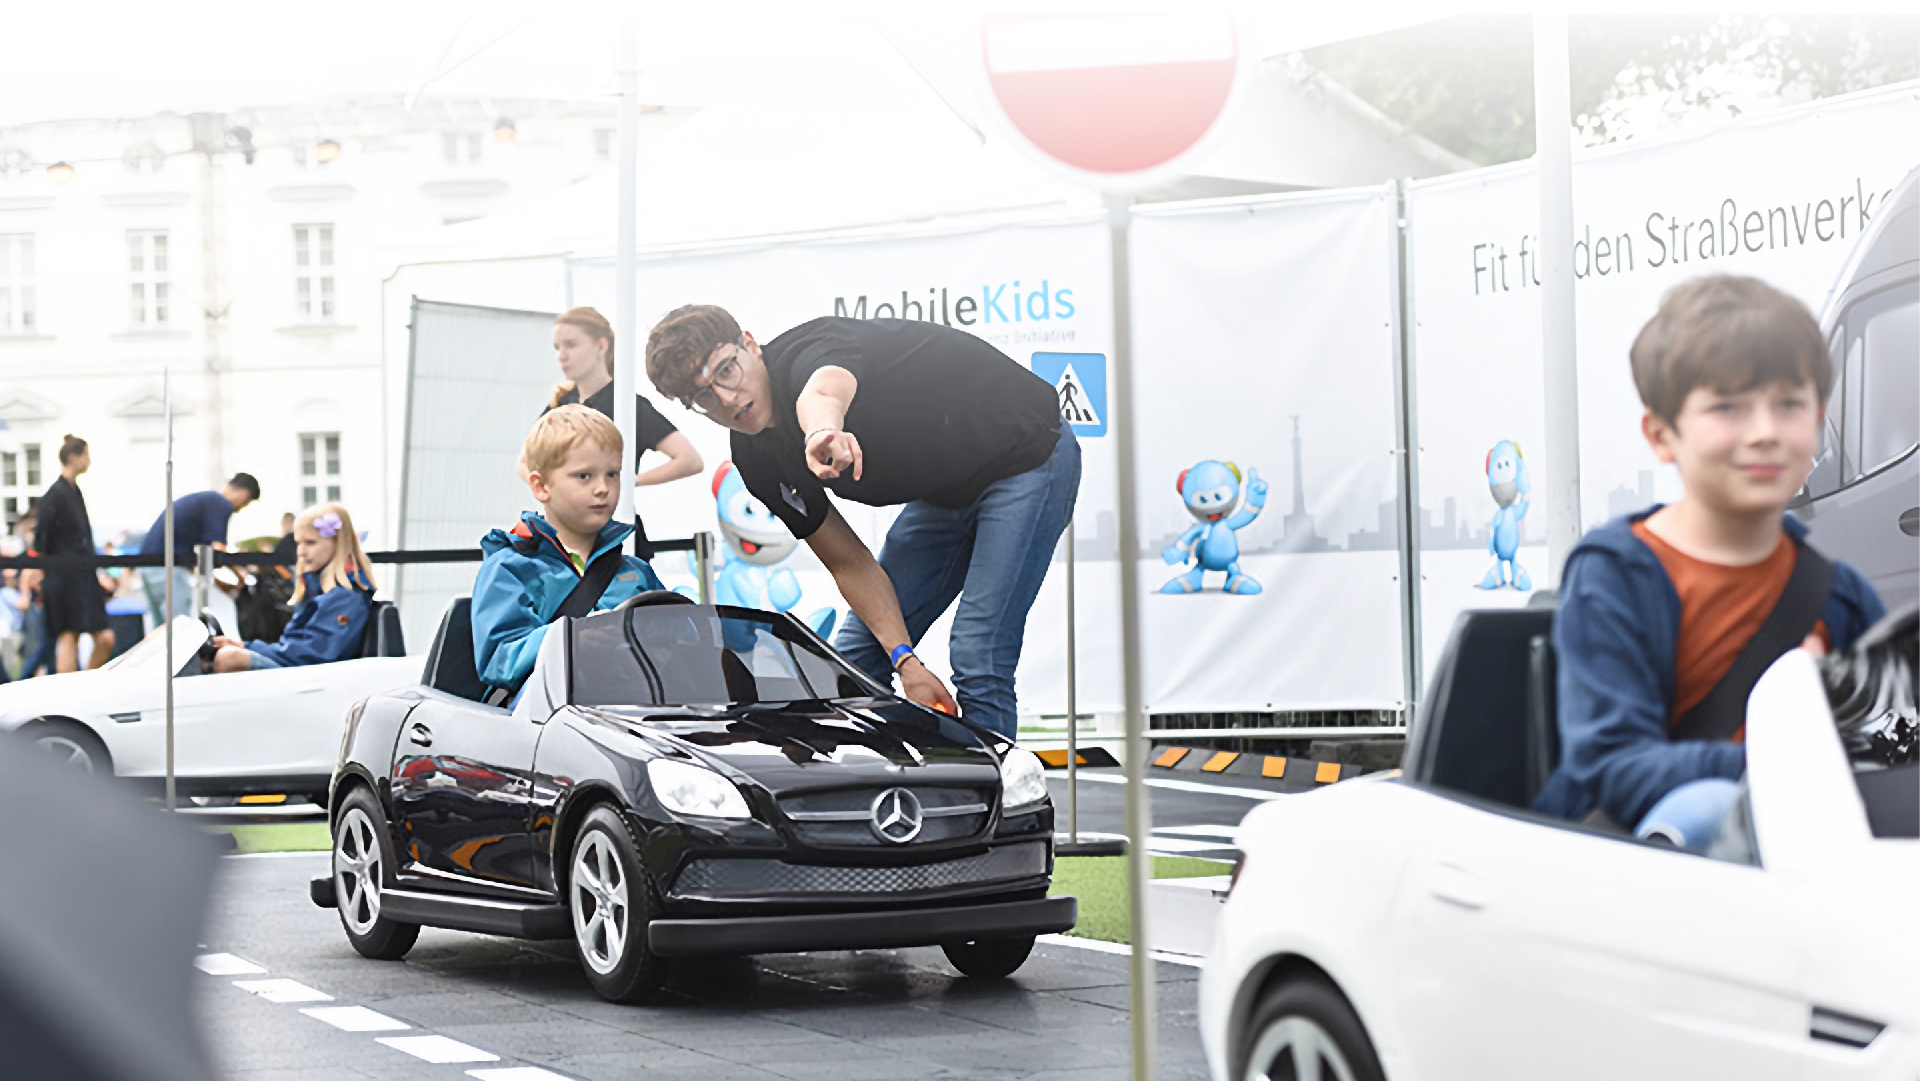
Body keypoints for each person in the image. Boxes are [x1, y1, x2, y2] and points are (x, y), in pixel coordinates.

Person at [1534, 275, 1885, 848]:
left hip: (1812, 875)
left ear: (1818, 418)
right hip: (1646, 879)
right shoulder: (1616, 575)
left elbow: (1894, 743)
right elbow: (1613, 766)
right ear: (1662, 434)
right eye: (1728, 407)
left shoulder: (1837, 595)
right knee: (1708, 809)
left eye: (1788, 404)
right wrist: (1786, 761)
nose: (1765, 432)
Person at [645, 307, 1080, 740]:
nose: (726, 398)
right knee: (854, 660)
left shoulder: (810, 350)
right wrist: (905, 660)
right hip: (946, 494)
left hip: (1026, 454)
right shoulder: (756, 461)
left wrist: (819, 433)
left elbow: (823, 392)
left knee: (978, 652)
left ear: (750, 342)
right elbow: (849, 562)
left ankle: (1001, 804)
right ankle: (878, 801)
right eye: (702, 396)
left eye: (727, 370)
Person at [472, 405, 665, 696]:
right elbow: (500, 659)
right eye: (584, 476)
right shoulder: (510, 568)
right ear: (541, 486)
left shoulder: (636, 572)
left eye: (612, 474)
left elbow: (678, 641)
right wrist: (575, 638)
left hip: (632, 713)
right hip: (546, 719)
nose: (603, 488)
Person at [206, 503, 375, 672]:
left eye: (310, 543)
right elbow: (291, 647)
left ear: (337, 544)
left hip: (313, 675)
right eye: (298, 543)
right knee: (220, 653)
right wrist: (243, 645)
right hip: (300, 666)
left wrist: (244, 648)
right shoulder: (315, 588)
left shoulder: (345, 597)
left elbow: (312, 655)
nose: (300, 552)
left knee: (229, 658)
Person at [137, 473, 259, 624]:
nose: (239, 509)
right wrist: (239, 574)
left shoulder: (204, 501)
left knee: (161, 629)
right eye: (245, 503)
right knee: (178, 627)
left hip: (148, 566)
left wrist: (219, 583)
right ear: (244, 494)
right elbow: (218, 548)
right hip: (169, 567)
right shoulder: (220, 503)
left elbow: (205, 556)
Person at [36, 435, 113, 671]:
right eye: (86, 455)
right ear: (74, 457)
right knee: (69, 637)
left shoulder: (72, 492)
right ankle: (72, 694)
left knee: (101, 638)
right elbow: (41, 542)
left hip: (81, 577)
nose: (89, 461)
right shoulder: (56, 495)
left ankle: (85, 685)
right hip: (64, 579)